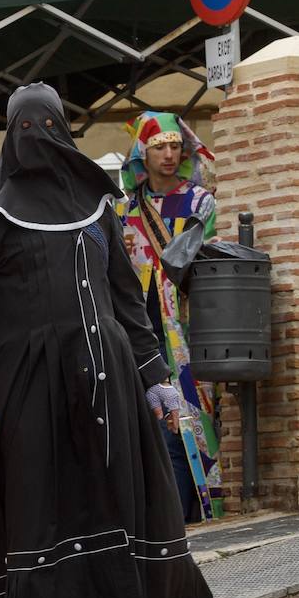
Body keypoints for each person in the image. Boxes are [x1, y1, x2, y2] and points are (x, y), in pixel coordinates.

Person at [0, 83, 214, 598]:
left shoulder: (95, 205)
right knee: (39, 507)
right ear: (10, 134)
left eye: (47, 127)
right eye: (24, 129)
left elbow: (124, 296)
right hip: (24, 384)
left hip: (104, 380)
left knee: (101, 499)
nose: (37, 140)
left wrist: (155, 377)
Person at [117, 111, 219, 523]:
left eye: (176, 146)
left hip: (189, 332)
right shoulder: (124, 210)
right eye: (160, 147)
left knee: (191, 425)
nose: (170, 154)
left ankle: (194, 517)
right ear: (142, 153)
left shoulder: (200, 202)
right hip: (138, 335)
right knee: (154, 432)